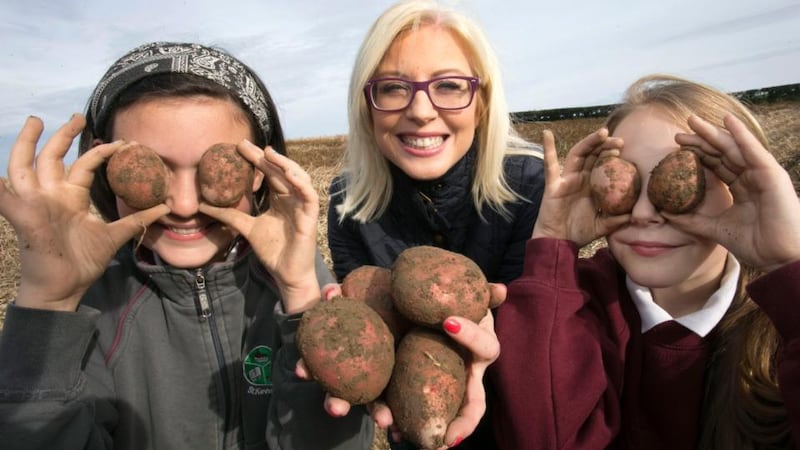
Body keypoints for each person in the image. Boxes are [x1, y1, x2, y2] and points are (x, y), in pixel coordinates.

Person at [0, 41, 375, 449]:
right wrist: (49, 306)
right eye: (151, 168)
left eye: (215, 168)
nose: (183, 205)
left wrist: (301, 296)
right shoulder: (90, 309)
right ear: (105, 170)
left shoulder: (300, 286)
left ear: (258, 173)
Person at [492, 74, 800, 449]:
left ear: (745, 188)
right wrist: (550, 247)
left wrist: (790, 265)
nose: (642, 212)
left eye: (690, 179)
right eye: (624, 182)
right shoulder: (570, 310)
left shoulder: (783, 329)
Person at [325, 0, 545, 448]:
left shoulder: (534, 190)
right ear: (367, 105)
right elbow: (375, 339)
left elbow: (550, 338)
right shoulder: (349, 203)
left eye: (448, 85)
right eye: (392, 88)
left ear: (481, 101)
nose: (421, 111)